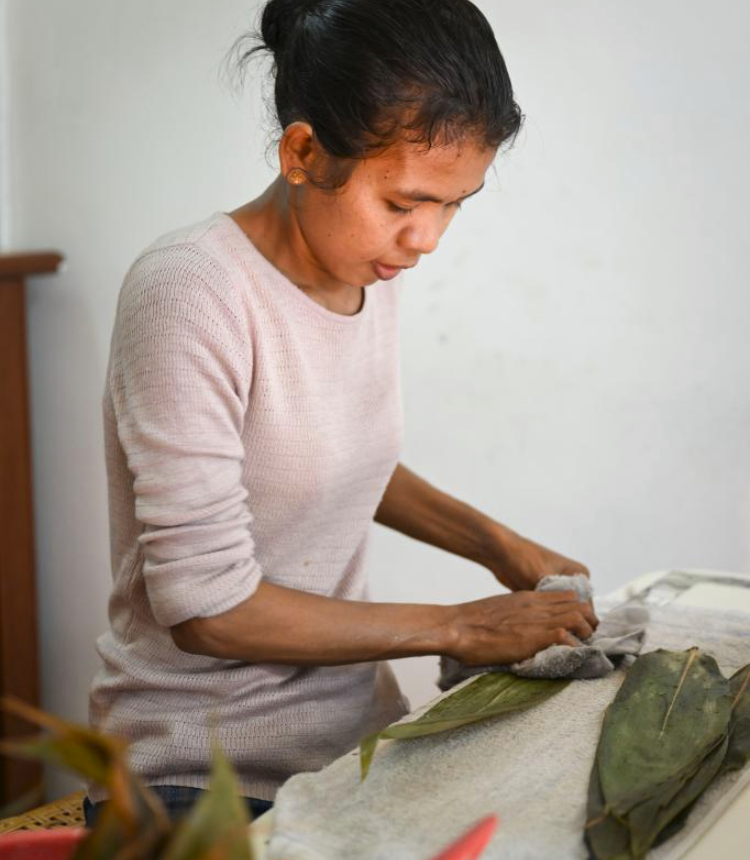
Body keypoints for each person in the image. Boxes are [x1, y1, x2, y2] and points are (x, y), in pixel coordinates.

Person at [85, 0, 597, 824]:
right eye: (402, 203)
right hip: (203, 771)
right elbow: (208, 610)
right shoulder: (190, 291)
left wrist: (501, 546)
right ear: (303, 152)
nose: (426, 239)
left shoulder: (361, 268)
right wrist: (461, 626)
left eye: (452, 205)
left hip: (352, 740)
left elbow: (329, 453)